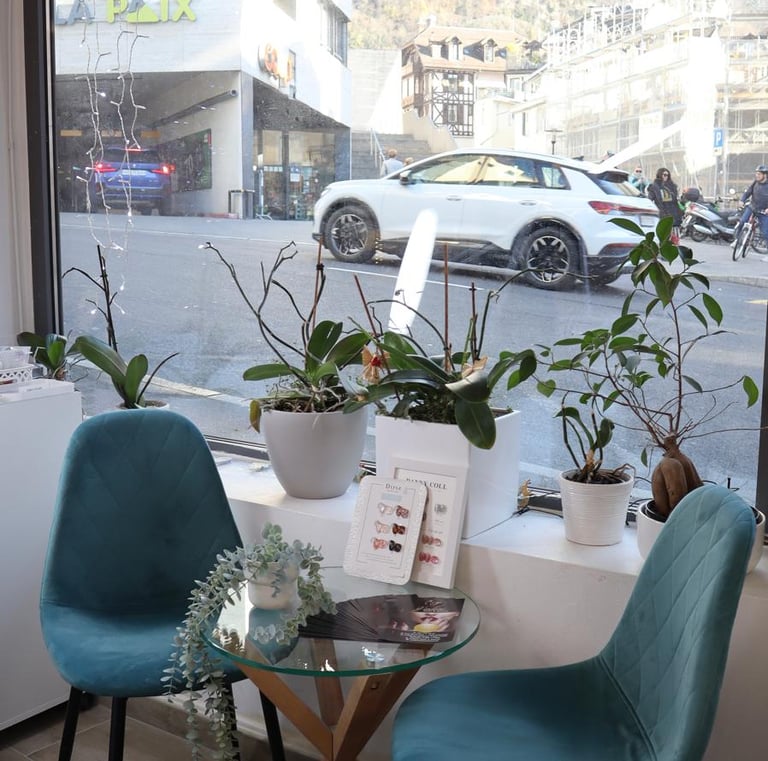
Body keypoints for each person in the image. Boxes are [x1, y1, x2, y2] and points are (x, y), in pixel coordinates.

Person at [731, 165, 768, 247]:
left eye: (759, 174)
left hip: (763, 212)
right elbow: (747, 193)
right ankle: (737, 241)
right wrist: (742, 200)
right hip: (752, 207)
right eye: (756, 173)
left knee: (765, 233)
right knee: (742, 222)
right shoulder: (755, 183)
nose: (757, 175)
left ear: (765, 175)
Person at [646, 167, 682, 239]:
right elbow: (650, 199)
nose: (666, 177)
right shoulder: (654, 187)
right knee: (664, 236)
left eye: (667, 175)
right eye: (664, 175)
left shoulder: (672, 186)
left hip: (673, 213)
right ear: (659, 175)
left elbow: (675, 201)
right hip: (662, 213)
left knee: (674, 237)